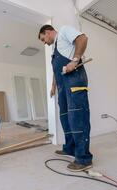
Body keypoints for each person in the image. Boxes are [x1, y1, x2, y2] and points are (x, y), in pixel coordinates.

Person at [38, 24, 93, 172]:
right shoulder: (55, 50)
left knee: (77, 118)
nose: (45, 42)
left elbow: (83, 38)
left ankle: (83, 158)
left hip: (74, 80)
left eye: (44, 39)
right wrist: (53, 86)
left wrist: (75, 60)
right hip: (62, 86)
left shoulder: (63, 32)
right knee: (65, 119)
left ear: (48, 32)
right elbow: (57, 70)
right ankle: (70, 148)